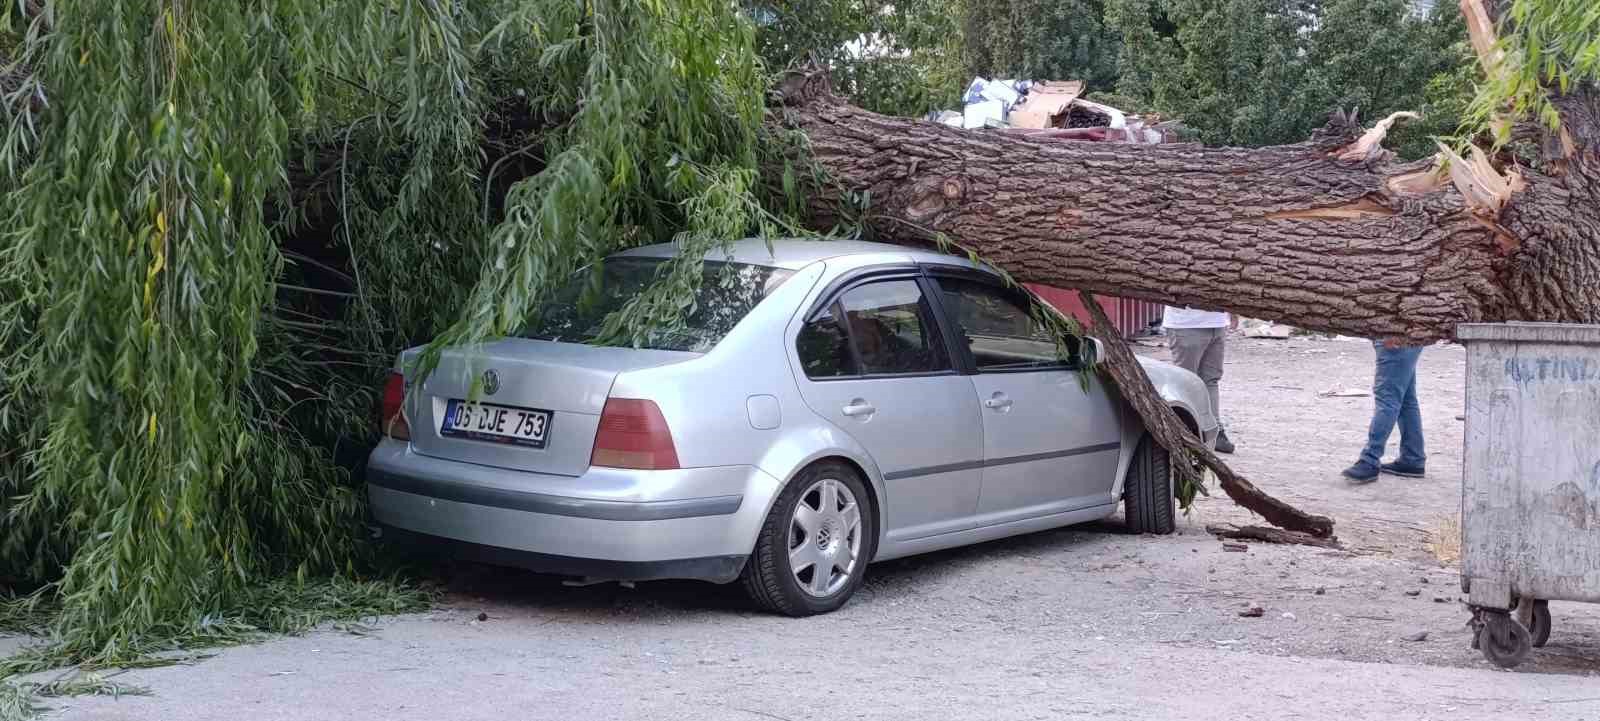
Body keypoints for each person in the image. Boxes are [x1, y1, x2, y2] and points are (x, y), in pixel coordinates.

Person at [1343, 339, 1426, 483]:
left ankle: (1369, 460)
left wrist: (1391, 332)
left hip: (1396, 336)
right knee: (1406, 399)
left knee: (1387, 398)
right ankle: (1412, 457)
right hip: (1411, 335)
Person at [1162, 305, 1234, 454]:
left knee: (1205, 380)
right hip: (1189, 323)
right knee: (1188, 382)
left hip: (1213, 322)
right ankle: (1191, 431)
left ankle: (1211, 431)